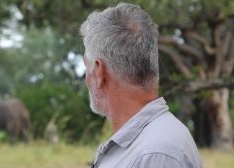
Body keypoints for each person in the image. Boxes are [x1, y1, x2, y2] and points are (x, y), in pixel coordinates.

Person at [80, 3, 203, 168]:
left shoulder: (156, 154)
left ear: (100, 72)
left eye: (87, 67)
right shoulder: (147, 144)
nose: (86, 78)